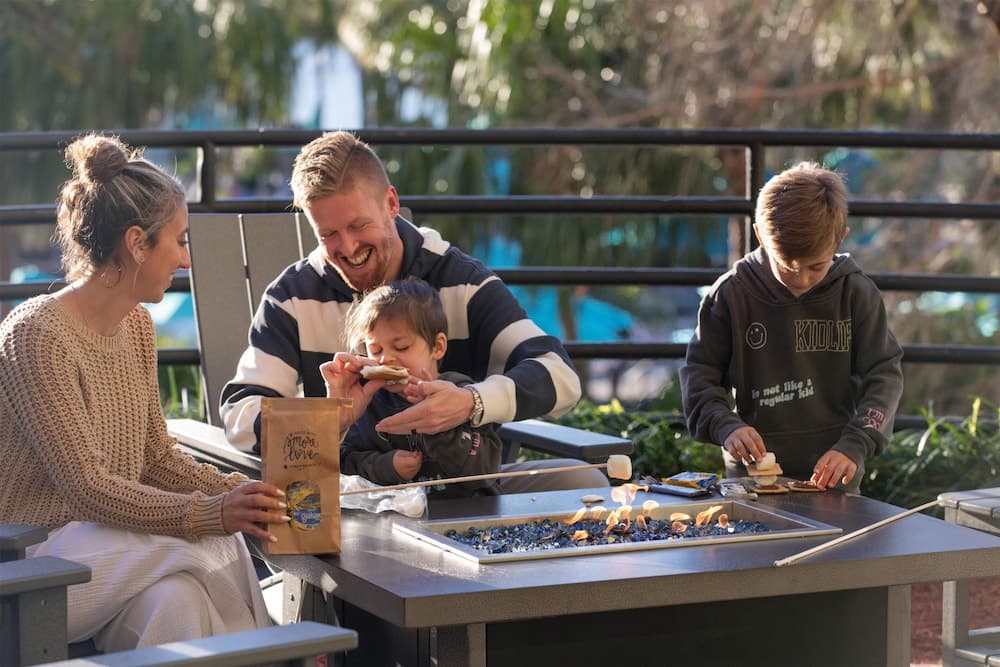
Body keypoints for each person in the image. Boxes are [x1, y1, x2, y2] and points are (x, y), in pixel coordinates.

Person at [0, 134, 288, 652]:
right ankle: (282, 652)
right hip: (29, 561)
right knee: (213, 542)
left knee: (178, 604)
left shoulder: (136, 327)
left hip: (110, 549)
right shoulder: (37, 335)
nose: (186, 260)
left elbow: (156, 458)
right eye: (179, 241)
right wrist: (215, 513)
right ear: (136, 243)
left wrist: (245, 494)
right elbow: (86, 488)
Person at [220, 130, 607, 491]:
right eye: (329, 234)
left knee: (582, 481)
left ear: (391, 203)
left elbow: (560, 377)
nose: (348, 248)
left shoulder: (462, 283)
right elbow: (239, 413)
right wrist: (327, 419)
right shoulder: (292, 296)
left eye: (358, 225)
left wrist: (470, 403)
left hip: (463, 495)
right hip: (352, 500)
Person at [680, 162, 903, 494]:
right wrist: (726, 427)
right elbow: (699, 376)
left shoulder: (857, 293)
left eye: (815, 267)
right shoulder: (729, 295)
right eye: (785, 266)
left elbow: (884, 374)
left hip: (835, 475)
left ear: (841, 238)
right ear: (760, 236)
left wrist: (856, 443)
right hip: (751, 477)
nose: (800, 279)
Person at [324, 278, 504, 498]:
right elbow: (346, 465)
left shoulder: (463, 394)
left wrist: (440, 428)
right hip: (394, 516)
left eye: (401, 347)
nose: (386, 359)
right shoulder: (368, 402)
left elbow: (486, 471)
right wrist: (386, 466)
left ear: (437, 347)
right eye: (376, 350)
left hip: (470, 512)